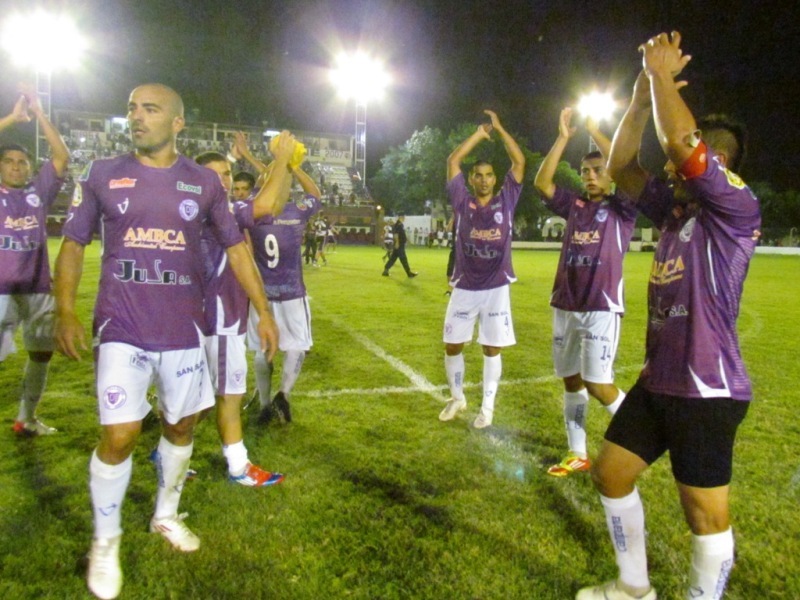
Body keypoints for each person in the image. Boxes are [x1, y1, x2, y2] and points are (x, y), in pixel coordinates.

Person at [53, 84, 279, 600]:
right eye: (132, 108)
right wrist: (65, 310)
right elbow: (72, 245)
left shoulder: (204, 183)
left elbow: (237, 249)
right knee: (121, 435)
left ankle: (166, 514)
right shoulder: (102, 174)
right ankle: (106, 542)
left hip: (183, 330)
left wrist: (263, 312)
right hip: (122, 326)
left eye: (149, 109)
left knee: (181, 426)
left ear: (178, 122)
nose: (136, 117)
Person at [576, 33, 760, 600]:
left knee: (704, 514)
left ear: (717, 162)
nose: (674, 170)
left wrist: (659, 75)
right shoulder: (676, 211)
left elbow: (681, 143)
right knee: (611, 473)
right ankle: (634, 588)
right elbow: (622, 165)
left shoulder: (734, 207)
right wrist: (636, 99)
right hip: (661, 381)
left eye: (693, 162)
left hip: (707, 388)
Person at [534, 107, 638, 477]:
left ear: (610, 175)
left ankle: (642, 440)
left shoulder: (622, 208)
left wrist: (595, 130)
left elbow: (628, 171)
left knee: (598, 383)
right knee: (572, 380)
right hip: (565, 303)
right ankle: (577, 453)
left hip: (600, 306)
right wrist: (563, 137)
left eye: (599, 171)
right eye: (586, 172)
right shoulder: (574, 205)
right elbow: (542, 183)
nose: (591, 177)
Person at [195, 141, 294, 486]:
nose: (224, 181)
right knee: (229, 395)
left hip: (218, 315)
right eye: (216, 175)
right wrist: (282, 158)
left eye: (226, 174)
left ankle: (169, 452)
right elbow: (266, 203)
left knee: (202, 400)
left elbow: (274, 205)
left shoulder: (217, 209)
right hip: (219, 318)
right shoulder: (211, 211)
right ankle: (238, 467)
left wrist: (288, 169)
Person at [439, 110, 524, 428]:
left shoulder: (508, 199)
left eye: (490, 175)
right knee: (452, 344)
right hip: (464, 285)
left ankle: (487, 408)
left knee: (491, 347)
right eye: (479, 175)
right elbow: (452, 161)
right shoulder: (461, 200)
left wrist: (500, 130)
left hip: (497, 286)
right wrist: (478, 134)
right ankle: (458, 398)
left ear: (495, 179)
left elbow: (519, 164)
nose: (485, 179)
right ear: (472, 180)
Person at [0, 86, 69, 436]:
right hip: (0, 290)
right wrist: (12, 118)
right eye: (9, 162)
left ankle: (26, 418)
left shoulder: (37, 192)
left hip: (38, 286)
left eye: (22, 162)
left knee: (41, 354)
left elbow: (60, 156)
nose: (16, 167)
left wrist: (40, 114)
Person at [245, 163, 322, 425]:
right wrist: (293, 167)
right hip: (292, 292)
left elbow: (261, 183)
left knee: (263, 350)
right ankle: (283, 394)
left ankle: (265, 404)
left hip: (262, 295)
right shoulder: (296, 212)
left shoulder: (254, 212)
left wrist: (271, 165)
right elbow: (315, 195)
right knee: (298, 346)